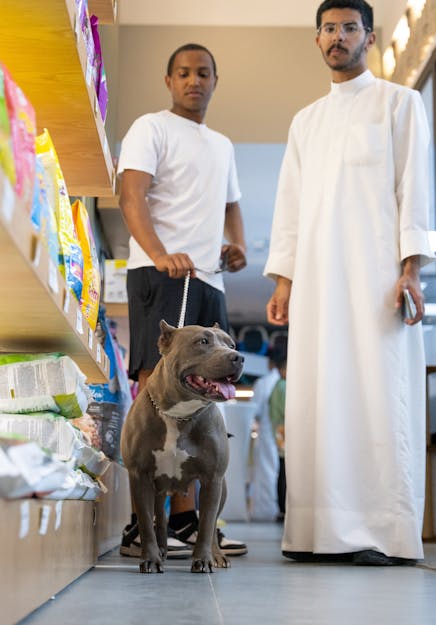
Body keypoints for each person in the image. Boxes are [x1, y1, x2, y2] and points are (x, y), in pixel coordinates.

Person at [264, 0, 434, 566]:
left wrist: (411, 269)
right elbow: (289, 209)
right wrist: (284, 282)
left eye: (349, 28)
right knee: (318, 396)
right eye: (329, 29)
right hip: (316, 285)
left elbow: (415, 190)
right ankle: (316, 533)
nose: (338, 37)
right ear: (317, 41)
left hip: (378, 282)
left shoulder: (400, 104)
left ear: (370, 36)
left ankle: (382, 532)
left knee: (378, 394)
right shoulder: (305, 120)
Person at [117, 43, 248, 559]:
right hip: (160, 271)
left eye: (204, 73)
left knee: (209, 391)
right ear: (169, 79)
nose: (195, 81)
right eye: (184, 73)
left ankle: (188, 520)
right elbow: (131, 195)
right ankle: (141, 522)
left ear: (216, 80)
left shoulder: (222, 144)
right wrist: (158, 252)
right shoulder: (150, 128)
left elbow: (232, 205)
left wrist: (237, 245)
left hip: (210, 279)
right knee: (158, 380)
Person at [249, 338, 286, 521]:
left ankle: (265, 511)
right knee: (280, 473)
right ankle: (279, 509)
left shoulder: (263, 383)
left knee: (266, 474)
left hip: (267, 434)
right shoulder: (285, 383)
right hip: (281, 435)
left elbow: (253, 412)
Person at [268, 344, 287, 521]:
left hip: (279, 432)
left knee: (282, 469)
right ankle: (283, 507)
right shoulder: (283, 386)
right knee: (285, 471)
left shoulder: (276, 386)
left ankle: (282, 507)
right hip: (285, 432)